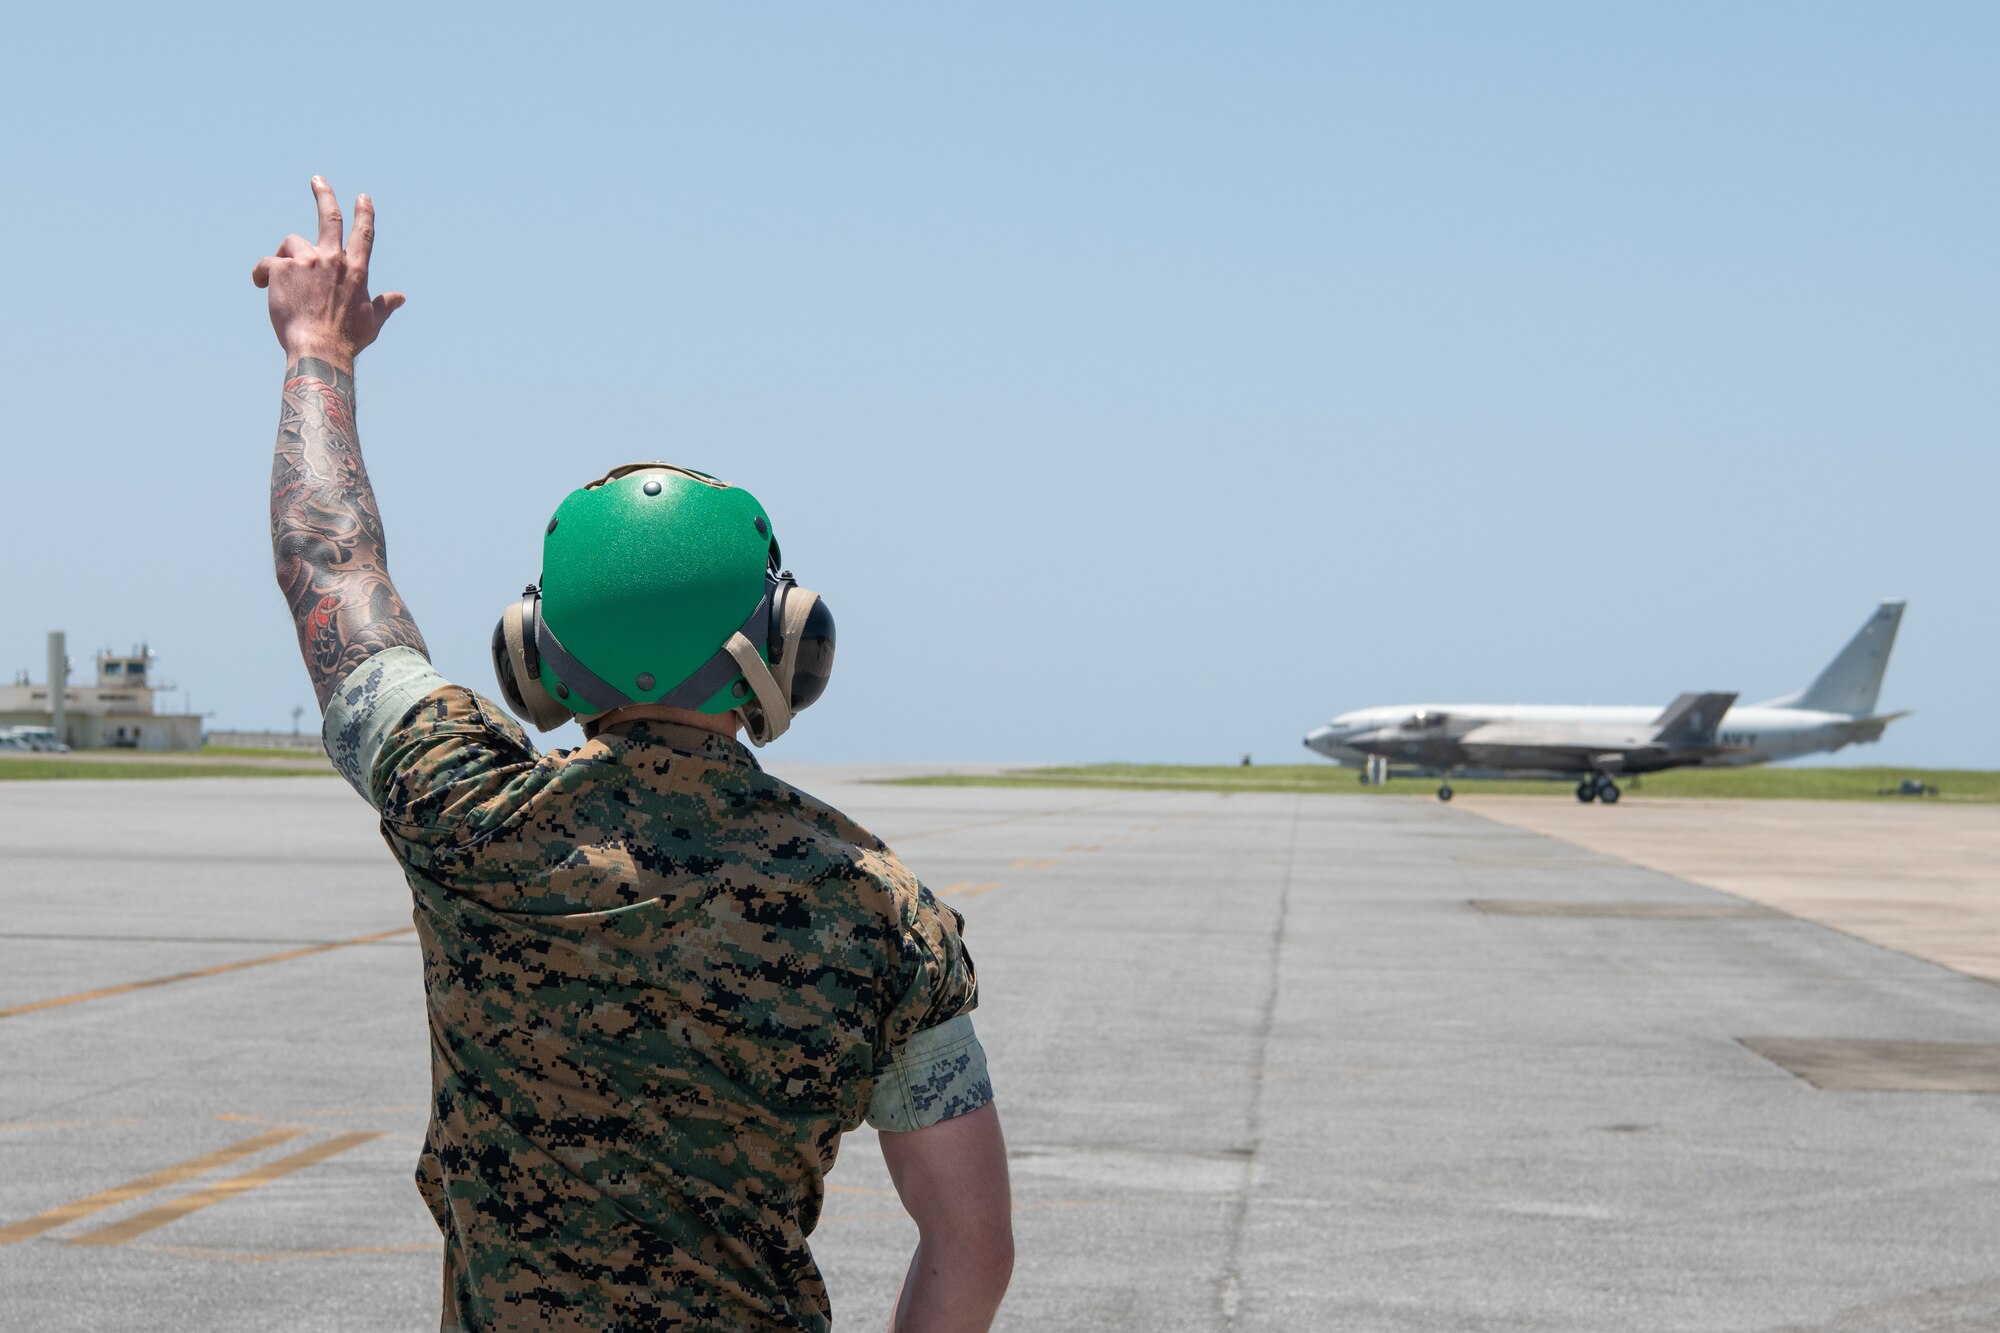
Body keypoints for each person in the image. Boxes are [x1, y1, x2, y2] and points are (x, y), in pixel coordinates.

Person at [255, 178, 1013, 1332]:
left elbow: (329, 565)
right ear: (784, 645)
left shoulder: (467, 812)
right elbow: (971, 1247)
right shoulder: (876, 909)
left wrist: (318, 349)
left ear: (534, 653)